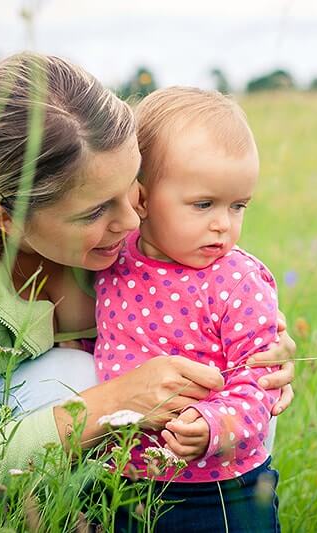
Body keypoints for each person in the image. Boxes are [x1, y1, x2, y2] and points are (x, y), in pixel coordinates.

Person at [0, 52, 295, 481]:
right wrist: (111, 405)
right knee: (69, 379)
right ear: (7, 218)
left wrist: (251, 352)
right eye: (94, 212)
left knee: (227, 414)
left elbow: (201, 277)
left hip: (120, 413)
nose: (133, 219)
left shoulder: (88, 147)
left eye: (134, 188)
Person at [90, 87, 281, 532]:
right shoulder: (112, 260)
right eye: (203, 204)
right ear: (141, 200)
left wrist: (214, 424)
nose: (223, 223)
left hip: (219, 488)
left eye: (238, 206)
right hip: (124, 478)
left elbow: (260, 381)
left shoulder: (237, 281)